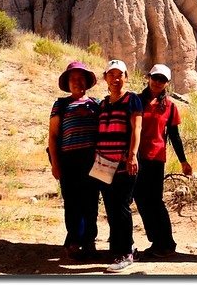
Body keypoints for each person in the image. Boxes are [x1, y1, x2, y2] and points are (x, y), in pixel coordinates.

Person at [134, 64, 192, 259]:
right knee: (140, 199)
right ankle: (156, 241)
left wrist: (183, 161)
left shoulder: (169, 105)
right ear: (149, 77)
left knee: (155, 201)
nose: (158, 82)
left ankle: (167, 243)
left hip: (156, 158)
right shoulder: (136, 101)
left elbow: (174, 136)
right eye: (155, 77)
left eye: (162, 79)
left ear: (167, 83)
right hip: (135, 157)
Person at [48, 61, 101, 261]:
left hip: (91, 159)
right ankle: (73, 240)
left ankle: (89, 241)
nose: (78, 82)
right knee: (72, 202)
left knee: (90, 202)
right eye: (73, 79)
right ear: (68, 83)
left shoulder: (96, 104)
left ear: (87, 82)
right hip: (68, 159)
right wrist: (55, 163)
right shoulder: (60, 105)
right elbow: (53, 136)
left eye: (81, 79)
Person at [95, 59, 143, 273]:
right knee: (111, 208)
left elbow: (136, 129)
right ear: (105, 78)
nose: (116, 79)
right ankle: (119, 248)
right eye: (111, 74)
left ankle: (125, 253)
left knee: (121, 207)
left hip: (124, 164)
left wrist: (132, 155)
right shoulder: (103, 103)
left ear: (126, 77)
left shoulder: (132, 99)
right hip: (104, 164)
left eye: (120, 75)